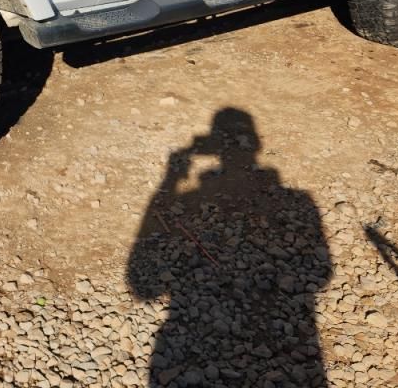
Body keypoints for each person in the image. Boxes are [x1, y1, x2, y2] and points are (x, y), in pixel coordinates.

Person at [128, 108, 331, 387]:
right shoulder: (300, 200)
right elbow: (322, 273)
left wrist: (171, 177)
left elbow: (142, 288)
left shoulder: (295, 201)